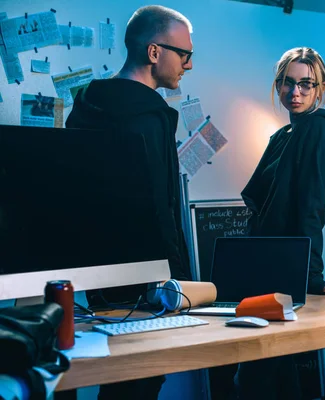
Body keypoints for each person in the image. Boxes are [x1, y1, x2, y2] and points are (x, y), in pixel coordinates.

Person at [65, 5, 194, 399]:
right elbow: (162, 203)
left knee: (116, 375)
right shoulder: (151, 115)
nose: (188, 65)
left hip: (89, 273)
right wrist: (181, 280)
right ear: (154, 52)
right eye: (184, 54)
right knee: (143, 376)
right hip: (147, 276)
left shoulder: (85, 103)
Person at [235, 47, 325, 399]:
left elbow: (311, 208)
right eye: (288, 83)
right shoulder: (283, 136)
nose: (296, 93)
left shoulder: (319, 129)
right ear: (278, 86)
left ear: (320, 88)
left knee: (257, 379)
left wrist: (312, 278)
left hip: (286, 275)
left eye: (306, 84)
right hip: (261, 270)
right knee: (263, 375)